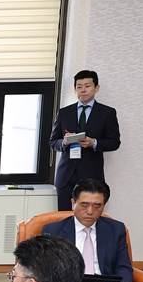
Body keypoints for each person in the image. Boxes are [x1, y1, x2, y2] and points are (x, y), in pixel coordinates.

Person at [42, 178, 143, 282]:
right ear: (73, 203)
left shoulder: (116, 229)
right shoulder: (53, 231)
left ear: (104, 206)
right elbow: (47, 269)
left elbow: (124, 266)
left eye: (97, 206)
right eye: (84, 205)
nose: (90, 211)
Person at [49, 69, 121, 211]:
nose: (83, 90)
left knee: (89, 216)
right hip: (66, 176)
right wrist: (64, 142)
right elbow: (53, 142)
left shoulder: (107, 112)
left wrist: (94, 143)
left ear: (96, 88)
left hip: (91, 175)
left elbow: (114, 142)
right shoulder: (64, 112)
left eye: (87, 86)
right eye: (79, 86)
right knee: (64, 218)